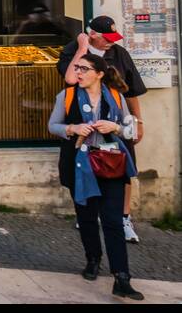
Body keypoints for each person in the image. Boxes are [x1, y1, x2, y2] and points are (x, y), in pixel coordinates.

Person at [48, 52, 144, 300]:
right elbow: (52, 125)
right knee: (87, 217)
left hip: (111, 164)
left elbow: (128, 129)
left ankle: (121, 277)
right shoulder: (67, 96)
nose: (78, 73)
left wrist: (116, 128)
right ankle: (93, 259)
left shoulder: (115, 96)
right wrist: (72, 128)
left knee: (112, 221)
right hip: (79, 166)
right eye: (77, 68)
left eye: (84, 69)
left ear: (99, 74)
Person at [56, 16, 148, 243]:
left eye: (113, 38)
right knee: (85, 168)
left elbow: (131, 91)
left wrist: (138, 121)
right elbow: (69, 78)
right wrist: (82, 47)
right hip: (85, 123)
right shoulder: (73, 51)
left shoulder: (119, 54)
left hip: (116, 122)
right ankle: (87, 214)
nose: (110, 43)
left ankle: (124, 217)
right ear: (93, 34)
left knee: (123, 169)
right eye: (107, 38)